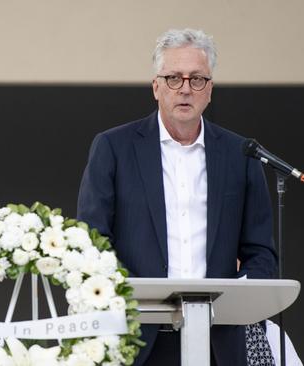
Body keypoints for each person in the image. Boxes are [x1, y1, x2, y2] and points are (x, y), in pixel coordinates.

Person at [76, 29, 277, 365]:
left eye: (197, 79)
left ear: (209, 90)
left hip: (219, 339)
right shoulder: (114, 147)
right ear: (156, 86)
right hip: (138, 336)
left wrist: (240, 302)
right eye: (173, 78)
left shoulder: (240, 153)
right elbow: (91, 241)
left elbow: (261, 253)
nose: (185, 88)